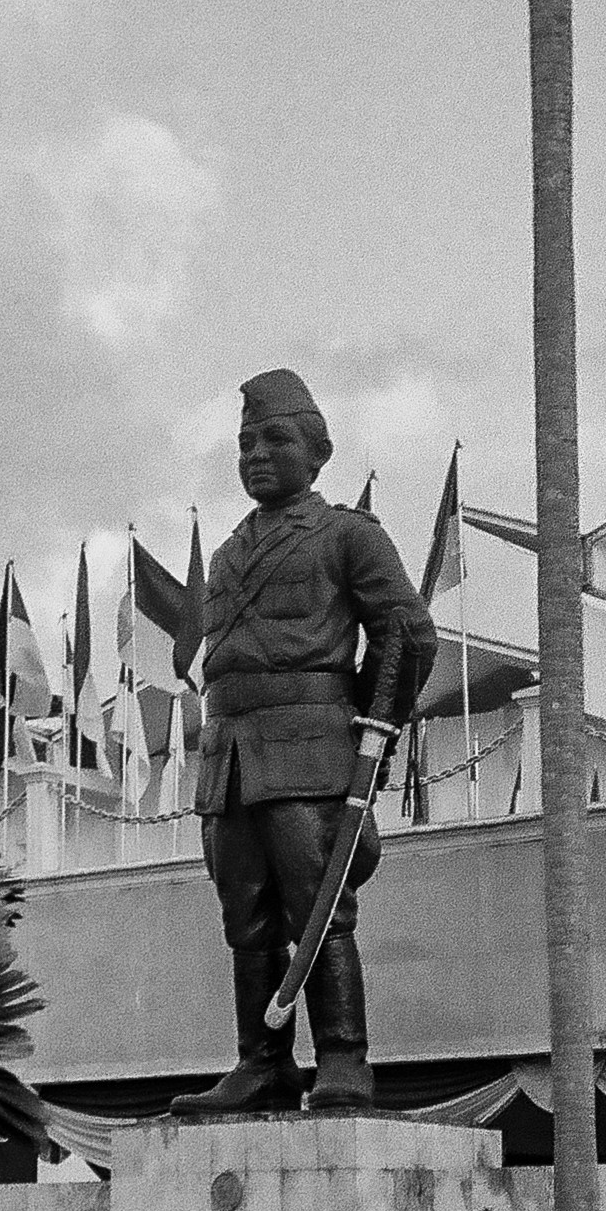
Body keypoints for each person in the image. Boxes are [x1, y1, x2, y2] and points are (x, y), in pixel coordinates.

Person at [171, 368, 436, 1116]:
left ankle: (344, 1060)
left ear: (316, 455)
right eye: (246, 441)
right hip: (228, 752)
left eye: (274, 439)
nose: (256, 453)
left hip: (309, 747)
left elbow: (405, 632)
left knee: (318, 906)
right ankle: (261, 1064)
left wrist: (371, 726)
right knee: (244, 919)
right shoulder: (227, 552)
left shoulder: (347, 535)